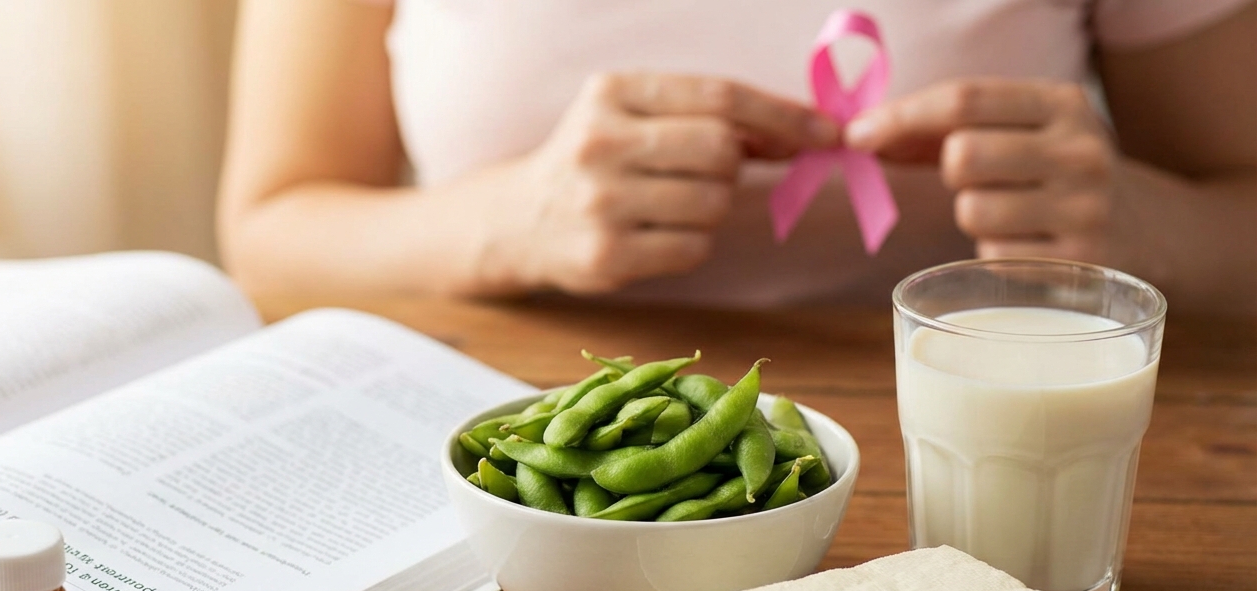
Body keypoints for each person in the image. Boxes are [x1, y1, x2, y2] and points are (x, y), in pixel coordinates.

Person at [217, 0, 1256, 313]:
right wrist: (508, 221)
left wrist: (1141, 228)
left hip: (990, 462)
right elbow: (270, 233)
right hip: (521, 467)